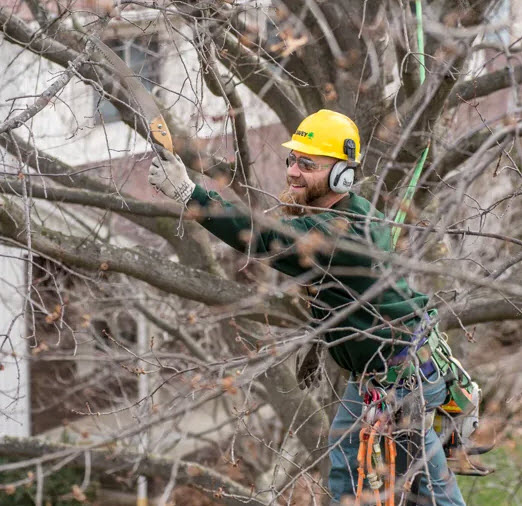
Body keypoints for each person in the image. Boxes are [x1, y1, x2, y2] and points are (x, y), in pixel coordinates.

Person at [148, 109, 466, 505]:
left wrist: (190, 195)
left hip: (401, 379)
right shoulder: (342, 214)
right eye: (292, 160)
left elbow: (264, 238)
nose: (293, 171)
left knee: (430, 493)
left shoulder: (343, 232)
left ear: (341, 176)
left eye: (308, 164)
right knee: (347, 473)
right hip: (375, 375)